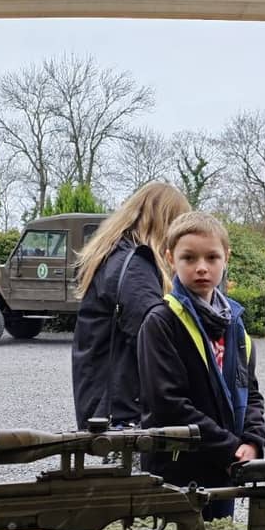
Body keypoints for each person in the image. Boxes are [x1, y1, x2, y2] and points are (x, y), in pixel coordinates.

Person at [136, 211, 265, 520]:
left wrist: (253, 440)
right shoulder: (161, 322)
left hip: (224, 470)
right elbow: (167, 404)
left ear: (226, 257)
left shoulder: (235, 325)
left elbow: (250, 392)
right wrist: (230, 447)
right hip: (177, 472)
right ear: (171, 258)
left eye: (212, 257)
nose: (202, 267)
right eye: (189, 258)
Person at [70, 182, 191, 428]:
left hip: (103, 403)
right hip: (125, 413)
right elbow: (154, 336)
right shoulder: (135, 266)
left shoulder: (112, 256)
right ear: (166, 223)